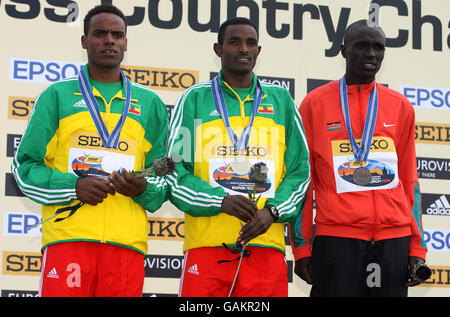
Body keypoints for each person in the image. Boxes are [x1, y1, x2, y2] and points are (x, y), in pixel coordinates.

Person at [11, 4, 169, 297]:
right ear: (85, 41)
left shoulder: (150, 104)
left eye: (117, 34)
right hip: (68, 240)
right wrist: (74, 187)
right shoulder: (57, 96)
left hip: (126, 246)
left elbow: (162, 181)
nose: (109, 40)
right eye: (100, 33)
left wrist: (141, 188)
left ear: (125, 43)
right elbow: (24, 167)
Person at [166, 17, 310, 297]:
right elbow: (174, 171)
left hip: (266, 247)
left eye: (250, 43)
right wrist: (219, 201)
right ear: (218, 49)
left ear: (258, 50)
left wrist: (273, 212)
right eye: (234, 42)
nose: (243, 48)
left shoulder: (281, 101)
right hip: (207, 247)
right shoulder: (194, 99)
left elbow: (300, 172)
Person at [290, 19, 428, 297]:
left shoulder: (400, 106)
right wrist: (302, 247)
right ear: (343, 50)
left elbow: (409, 181)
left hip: (393, 240)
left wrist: (417, 246)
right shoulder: (314, 104)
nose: (371, 54)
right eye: (362, 46)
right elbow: (303, 182)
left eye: (379, 48)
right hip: (338, 238)